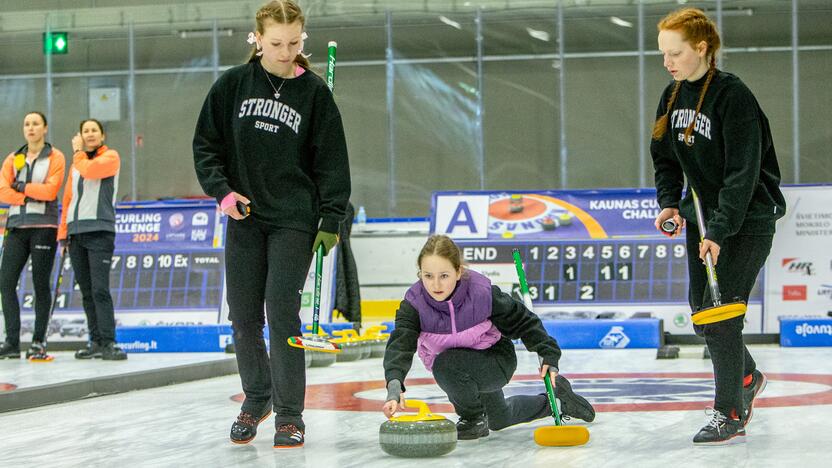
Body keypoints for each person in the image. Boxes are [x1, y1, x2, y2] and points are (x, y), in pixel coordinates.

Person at [192, 0, 350, 449]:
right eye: (277, 43)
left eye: (294, 42)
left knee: (281, 313)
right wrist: (222, 192)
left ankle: (289, 414)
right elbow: (206, 145)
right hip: (244, 217)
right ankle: (257, 397)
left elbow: (332, 162)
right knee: (242, 316)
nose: (286, 51)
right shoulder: (232, 85)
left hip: (295, 221)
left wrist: (331, 217)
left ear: (303, 38)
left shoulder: (316, 94)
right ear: (257, 39)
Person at [650, 7, 785, 445]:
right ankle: (746, 378)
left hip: (747, 220)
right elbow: (665, 158)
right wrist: (670, 204)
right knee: (701, 312)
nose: (668, 62)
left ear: (702, 49)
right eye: (663, 54)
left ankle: (729, 412)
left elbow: (742, 175)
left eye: (676, 53)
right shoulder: (670, 98)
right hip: (703, 220)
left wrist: (718, 232)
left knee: (722, 312)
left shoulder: (734, 98)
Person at [382, 235, 595, 440]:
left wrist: (548, 352)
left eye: (443, 275)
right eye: (428, 276)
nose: (435, 285)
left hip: (493, 360)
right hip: (461, 372)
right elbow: (400, 345)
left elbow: (523, 321)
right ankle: (556, 402)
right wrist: (394, 384)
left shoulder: (481, 294)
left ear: (458, 271)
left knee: (445, 365)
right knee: (499, 418)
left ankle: (473, 418)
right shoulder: (414, 305)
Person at [58, 118, 126, 361]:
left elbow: (91, 170)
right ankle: (95, 340)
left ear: (102, 135)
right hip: (76, 233)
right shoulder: (76, 164)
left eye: (93, 130)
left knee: (99, 290)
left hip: (99, 231)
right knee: (86, 291)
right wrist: (63, 233)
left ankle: (109, 341)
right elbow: (68, 200)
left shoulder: (110, 158)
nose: (89, 134)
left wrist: (77, 153)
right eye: (85, 131)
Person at [0, 111, 65, 359]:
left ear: (44, 128)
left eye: (35, 124)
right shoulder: (14, 158)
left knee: (40, 285)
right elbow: (3, 192)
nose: (31, 128)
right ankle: (11, 342)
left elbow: (50, 191)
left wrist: (21, 188)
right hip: (16, 227)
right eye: (27, 124)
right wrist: (27, 195)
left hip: (43, 228)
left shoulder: (55, 157)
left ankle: (38, 341)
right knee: (5, 283)